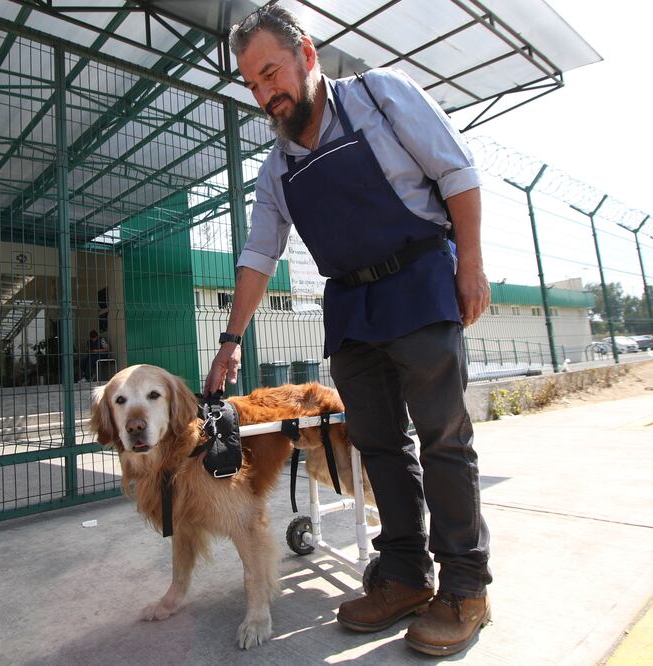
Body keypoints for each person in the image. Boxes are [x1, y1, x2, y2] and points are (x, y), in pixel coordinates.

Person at [203, 6, 492, 656]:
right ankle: (405, 577)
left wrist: (469, 262)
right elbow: (258, 255)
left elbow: (457, 171)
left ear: (305, 53)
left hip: (418, 280)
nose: (264, 93)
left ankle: (466, 587)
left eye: (270, 72)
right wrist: (230, 339)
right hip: (352, 310)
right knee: (380, 448)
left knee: (444, 440)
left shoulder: (380, 98)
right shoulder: (275, 169)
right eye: (251, 84)